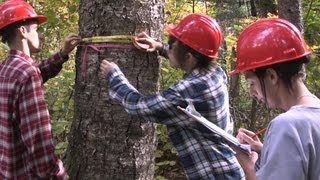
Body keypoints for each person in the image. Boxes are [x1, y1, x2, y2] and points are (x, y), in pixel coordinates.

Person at [100, 13, 244, 179]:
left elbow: (139, 107)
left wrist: (115, 77)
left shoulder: (188, 92)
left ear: (188, 56)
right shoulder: (215, 73)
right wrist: (160, 47)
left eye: (171, 44)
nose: (169, 46)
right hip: (228, 169)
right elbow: (186, 55)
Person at [229, 18, 320, 180]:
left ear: (271, 76)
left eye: (251, 83)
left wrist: (248, 169)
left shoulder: (286, 126)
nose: (252, 92)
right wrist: (266, 149)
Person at [0, 0, 81, 179]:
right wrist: (57, 176)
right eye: (36, 29)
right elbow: (39, 142)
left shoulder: (5, 68)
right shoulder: (26, 74)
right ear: (23, 31)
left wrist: (63, 53)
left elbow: (37, 72)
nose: (41, 35)